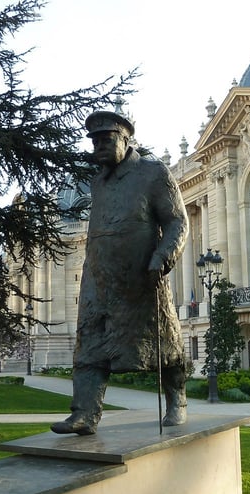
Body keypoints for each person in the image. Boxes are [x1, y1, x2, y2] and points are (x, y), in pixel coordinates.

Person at [51, 110, 189, 435]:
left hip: (143, 275)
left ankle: (177, 401)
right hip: (99, 278)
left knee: (164, 342)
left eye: (105, 139)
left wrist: (164, 255)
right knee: (89, 343)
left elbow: (177, 220)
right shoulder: (98, 180)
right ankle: (84, 413)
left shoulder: (153, 172)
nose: (98, 145)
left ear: (125, 139)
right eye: (94, 140)